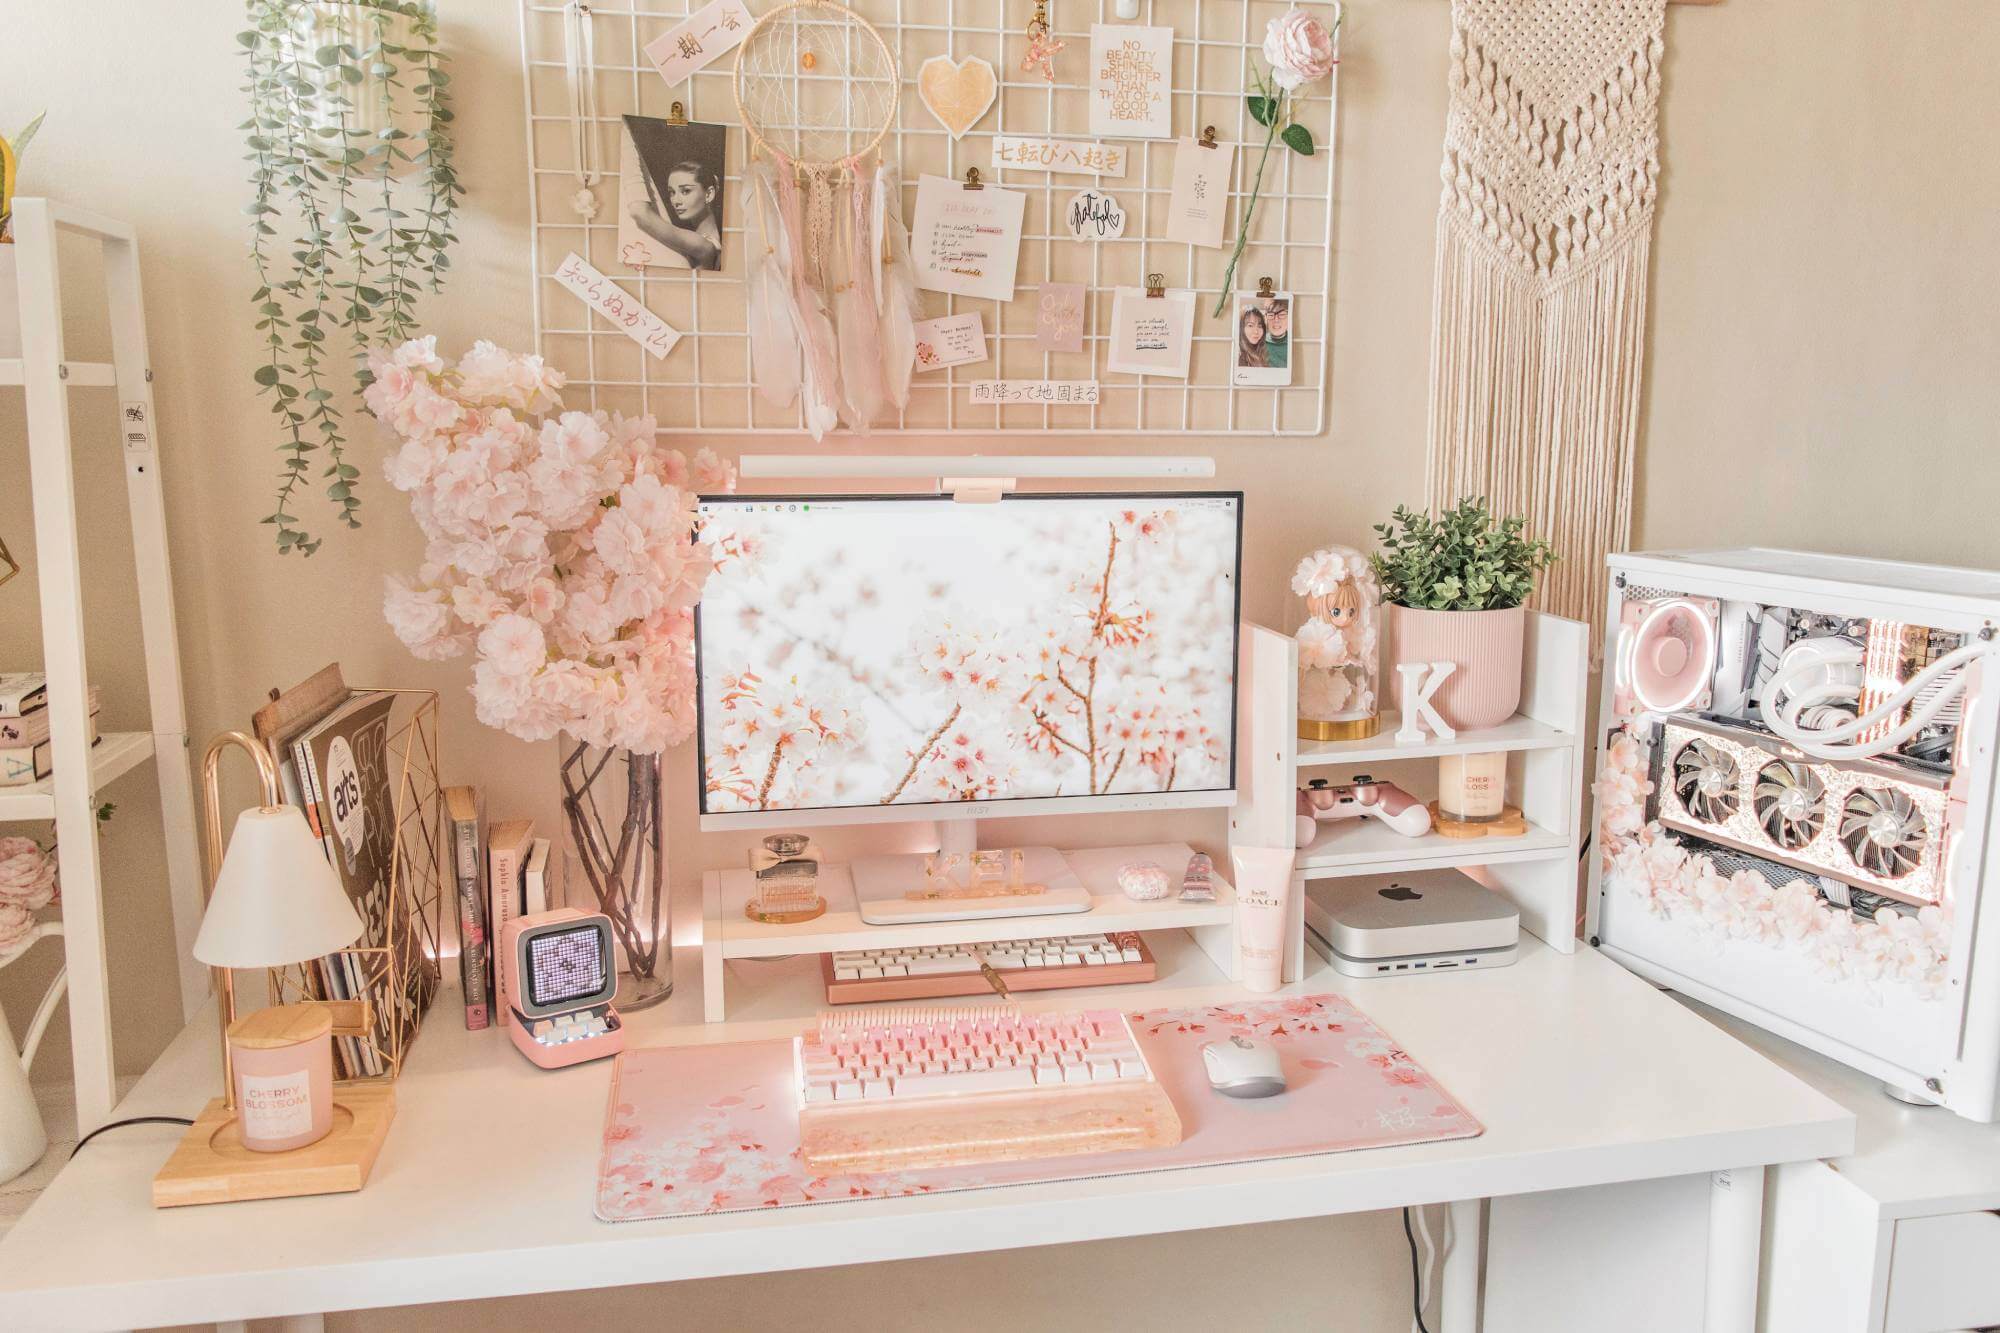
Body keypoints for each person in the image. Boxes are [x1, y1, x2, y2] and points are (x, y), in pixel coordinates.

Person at [629, 160, 722, 271]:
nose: (676, 201)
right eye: (672, 192)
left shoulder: (705, 246)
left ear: (709, 194)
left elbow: (640, 212)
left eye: (686, 191)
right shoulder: (703, 242)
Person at [1238, 304, 1270, 369]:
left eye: (1259, 326)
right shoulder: (1238, 355)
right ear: (1241, 328)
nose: (1256, 331)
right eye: (1250, 325)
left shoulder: (1263, 352)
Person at [1264, 299, 1290, 370]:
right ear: (1265, 318)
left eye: (1282, 314)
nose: (1276, 320)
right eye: (1271, 315)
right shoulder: (1259, 343)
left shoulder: (1293, 342)